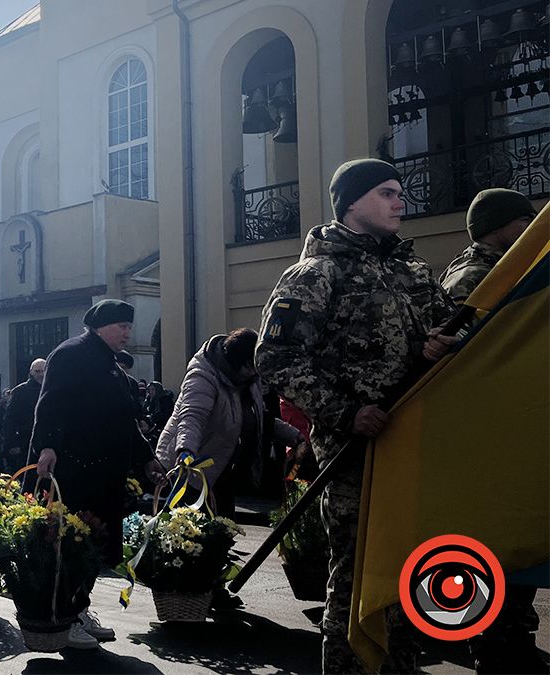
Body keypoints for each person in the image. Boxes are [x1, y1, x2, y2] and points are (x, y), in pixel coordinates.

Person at [255, 158, 459, 674]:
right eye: (387, 193)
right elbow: (275, 358)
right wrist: (346, 413)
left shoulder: (412, 271)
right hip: (355, 452)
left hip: (415, 443)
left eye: (400, 193)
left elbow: (448, 331)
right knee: (356, 574)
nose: (399, 202)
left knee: (409, 570)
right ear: (351, 203)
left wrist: (444, 345)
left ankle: (400, 666)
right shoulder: (316, 273)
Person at [439, 189, 542, 673]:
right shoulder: (475, 278)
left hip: (505, 432)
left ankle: (510, 638)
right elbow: (468, 360)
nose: (532, 228)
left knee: (518, 541)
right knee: (495, 547)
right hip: (483, 437)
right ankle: (495, 644)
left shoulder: (504, 270)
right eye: (527, 220)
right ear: (505, 225)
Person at [31, 300, 155, 649]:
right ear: (101, 326)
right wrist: (48, 446)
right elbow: (50, 405)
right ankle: (62, 617)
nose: (128, 333)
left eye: (129, 327)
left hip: (105, 472)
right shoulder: (71, 354)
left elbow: (124, 420)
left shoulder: (110, 362)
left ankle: (79, 608)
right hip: (76, 469)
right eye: (122, 326)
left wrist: (146, 458)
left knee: (95, 546)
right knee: (71, 544)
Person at [155, 329, 307, 518]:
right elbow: (192, 416)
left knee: (221, 528)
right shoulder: (203, 375)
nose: (254, 371)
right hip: (191, 468)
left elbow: (261, 419)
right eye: (250, 366)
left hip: (222, 467)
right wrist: (186, 450)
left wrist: (295, 436)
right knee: (189, 534)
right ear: (236, 362)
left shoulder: (250, 381)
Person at [439, 188, 537, 307]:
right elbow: (457, 324)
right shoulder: (469, 277)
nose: (531, 226)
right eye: (525, 220)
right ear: (495, 225)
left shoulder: (505, 266)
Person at [3, 358, 45, 472]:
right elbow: (10, 420)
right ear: (31, 372)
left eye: (43, 371)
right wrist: (12, 443)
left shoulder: (51, 390)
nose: (41, 374)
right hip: (25, 443)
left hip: (46, 442)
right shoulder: (20, 391)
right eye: (37, 371)